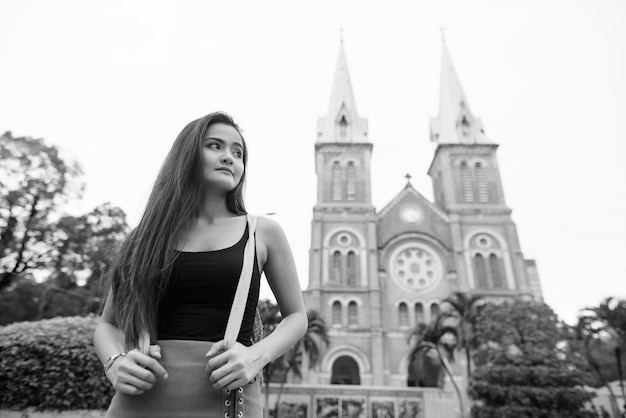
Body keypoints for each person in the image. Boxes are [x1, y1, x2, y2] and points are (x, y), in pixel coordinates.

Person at [93, 111, 308, 417]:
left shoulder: (263, 232)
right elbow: (107, 324)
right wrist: (115, 362)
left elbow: (297, 317)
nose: (229, 157)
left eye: (238, 152)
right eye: (215, 146)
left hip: (229, 399)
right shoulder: (145, 238)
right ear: (187, 155)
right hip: (141, 399)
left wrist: (255, 357)